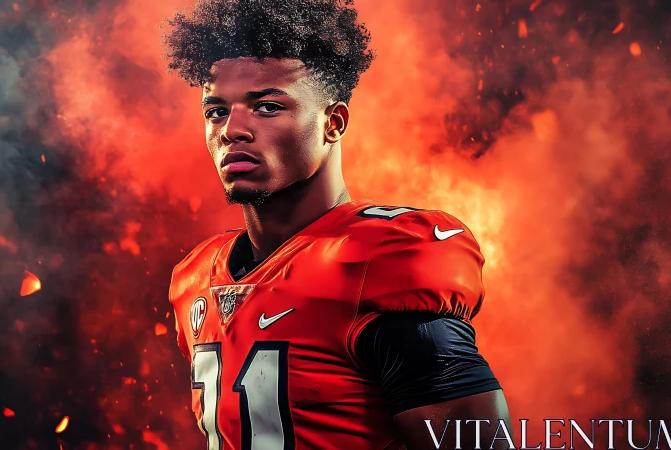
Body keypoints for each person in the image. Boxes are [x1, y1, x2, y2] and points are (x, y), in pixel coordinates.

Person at [164, 1, 510, 448]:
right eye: (215, 111)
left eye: (267, 107)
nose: (232, 129)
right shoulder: (195, 277)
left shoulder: (375, 260)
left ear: (333, 122)